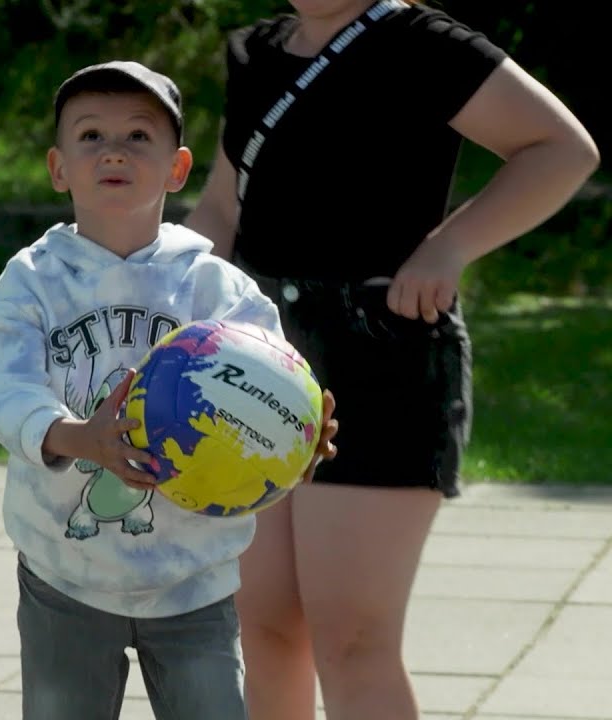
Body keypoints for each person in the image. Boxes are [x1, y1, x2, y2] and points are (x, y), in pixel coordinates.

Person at [183, 2, 601, 719]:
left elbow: (562, 148)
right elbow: (223, 208)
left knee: (352, 640)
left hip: (383, 359)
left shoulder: (421, 43)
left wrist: (448, 246)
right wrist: (152, 297)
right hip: (256, 361)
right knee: (267, 624)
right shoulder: (256, 53)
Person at [0, 60, 339, 720]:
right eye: (90, 136)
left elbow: (275, 386)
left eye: (138, 136)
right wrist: (76, 437)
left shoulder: (213, 287)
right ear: (59, 168)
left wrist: (296, 438)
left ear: (177, 168)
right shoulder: (32, 280)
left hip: (193, 578)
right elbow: (4, 388)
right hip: (65, 573)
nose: (113, 149)